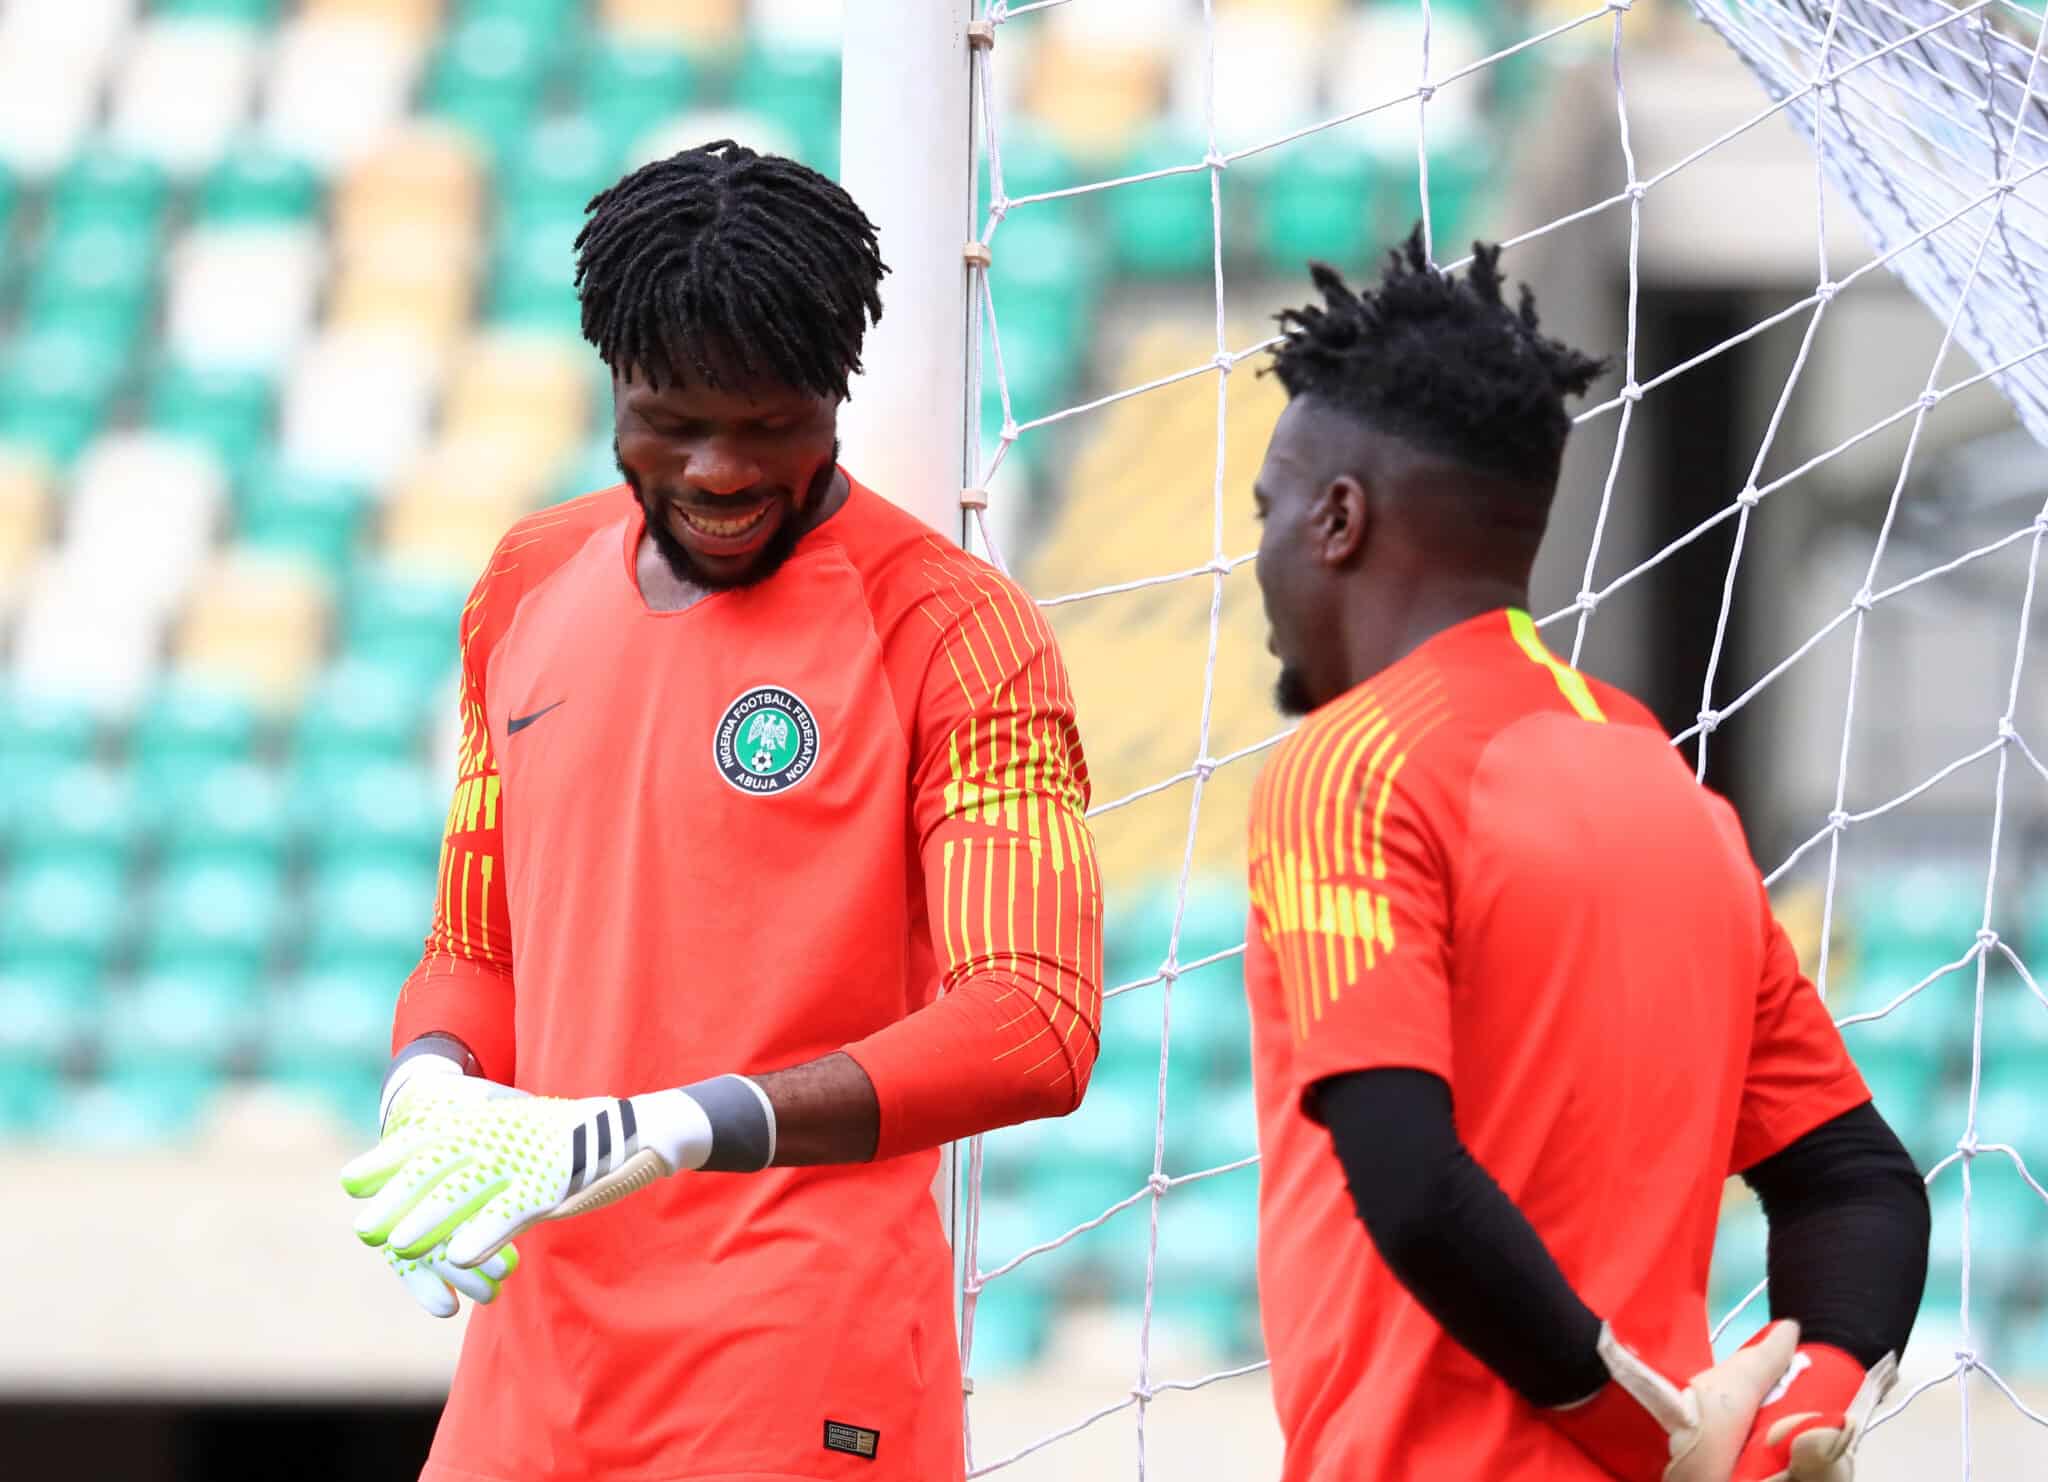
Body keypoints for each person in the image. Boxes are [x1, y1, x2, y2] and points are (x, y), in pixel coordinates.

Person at [337, 140, 1104, 1482]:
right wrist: (430, 1087)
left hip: (790, 1359)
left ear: (835, 394)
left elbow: (1032, 1022)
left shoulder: (956, 632)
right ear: (613, 387)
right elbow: (478, 947)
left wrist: (671, 1126)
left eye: (768, 424)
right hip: (536, 1356)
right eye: (671, 420)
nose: (718, 470)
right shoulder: (526, 581)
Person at [1240, 231, 1930, 1482]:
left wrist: (1650, 1439)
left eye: (1266, 511)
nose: (1261, 555)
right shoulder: (1666, 787)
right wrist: (1792, 1422)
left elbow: (1404, 1174)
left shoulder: (1353, 764)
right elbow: (1855, 1180)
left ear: (1337, 519)